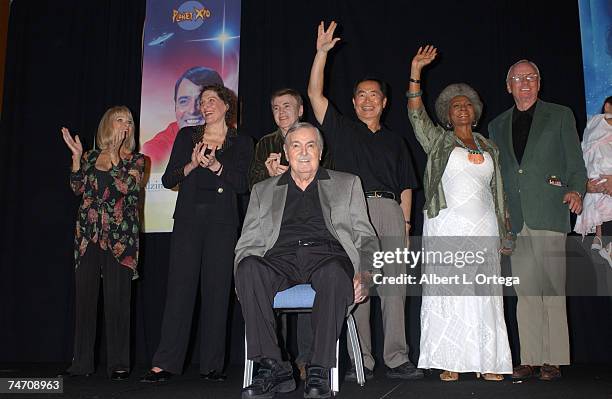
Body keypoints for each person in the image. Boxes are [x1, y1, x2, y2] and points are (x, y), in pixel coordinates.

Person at [307, 20, 420, 381]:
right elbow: (314, 96)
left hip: (389, 211)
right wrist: (321, 53)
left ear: (384, 103)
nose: (368, 100)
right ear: (354, 102)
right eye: (362, 95)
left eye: (375, 95)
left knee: (394, 288)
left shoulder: (395, 141)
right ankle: (362, 360)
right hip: (353, 212)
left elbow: (406, 186)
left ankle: (397, 357)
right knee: (361, 286)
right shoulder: (340, 130)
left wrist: (405, 225)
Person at [235, 122, 378, 399]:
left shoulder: (347, 183)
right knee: (248, 267)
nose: (303, 152)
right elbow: (248, 243)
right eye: (296, 146)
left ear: (320, 152)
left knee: (336, 275)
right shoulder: (263, 190)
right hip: (280, 258)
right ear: (286, 153)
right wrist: (241, 279)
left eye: (310, 145)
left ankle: (319, 368)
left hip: (328, 256)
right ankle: (273, 366)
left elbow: (366, 236)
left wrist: (366, 273)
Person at [407, 46, 513, 381]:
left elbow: (500, 195)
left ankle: (488, 362)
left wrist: (504, 231)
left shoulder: (490, 146)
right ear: (447, 116)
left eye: (467, 104)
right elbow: (415, 115)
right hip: (447, 223)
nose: (462, 109)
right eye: (455, 107)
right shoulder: (438, 141)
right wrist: (415, 72)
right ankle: (449, 359)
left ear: (476, 111)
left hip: (484, 226)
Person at [141, 85, 253, 382]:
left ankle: (212, 365)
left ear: (227, 106)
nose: (205, 106)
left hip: (222, 223)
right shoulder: (186, 136)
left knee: (217, 292)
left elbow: (243, 184)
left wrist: (217, 166)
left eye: (212, 100)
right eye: (202, 102)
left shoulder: (241, 142)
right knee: (179, 290)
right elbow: (168, 179)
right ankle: (164, 362)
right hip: (188, 221)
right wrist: (191, 164)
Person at [488, 59, 587, 381]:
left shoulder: (560, 115)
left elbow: (576, 161)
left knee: (553, 290)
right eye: (518, 78)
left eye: (531, 77)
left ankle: (553, 359)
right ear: (508, 86)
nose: (525, 83)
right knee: (526, 292)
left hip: (550, 210)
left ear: (539, 83)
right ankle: (530, 357)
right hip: (515, 219)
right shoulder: (497, 125)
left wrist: (576, 191)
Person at [60, 106, 145, 380]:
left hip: (120, 239)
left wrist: (116, 156)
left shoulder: (138, 160)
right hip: (87, 235)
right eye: (120, 120)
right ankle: (81, 363)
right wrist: (76, 159)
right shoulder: (90, 157)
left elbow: (127, 188)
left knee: (118, 301)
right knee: (85, 300)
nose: (125, 125)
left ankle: (119, 363)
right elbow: (77, 188)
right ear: (108, 125)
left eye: (129, 122)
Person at [248, 88, 326, 380]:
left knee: (316, 279)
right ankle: (275, 361)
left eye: (287, 106)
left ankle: (307, 360)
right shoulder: (265, 143)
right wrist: (271, 179)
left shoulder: (314, 138)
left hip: (310, 230)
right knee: (267, 281)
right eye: (276, 108)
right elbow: (251, 184)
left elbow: (328, 178)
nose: (281, 112)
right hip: (275, 232)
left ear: (301, 109)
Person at [141, 66, 223, 170]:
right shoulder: (154, 150)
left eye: (200, 101)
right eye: (184, 101)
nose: (192, 110)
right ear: (175, 106)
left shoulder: (234, 140)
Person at [574, 96, 612, 266]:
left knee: (602, 209)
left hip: (595, 177)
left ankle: (600, 239)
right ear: (607, 106)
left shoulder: (591, 126)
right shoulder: (602, 121)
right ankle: (605, 243)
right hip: (603, 175)